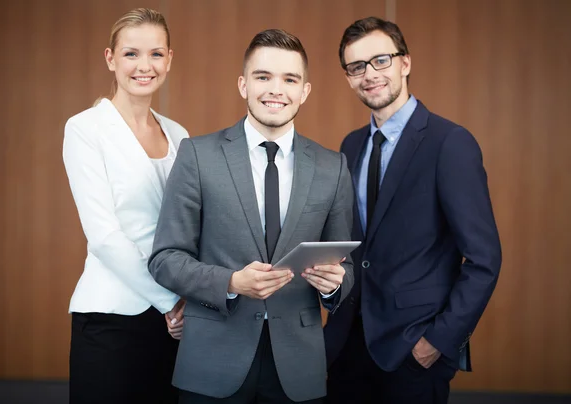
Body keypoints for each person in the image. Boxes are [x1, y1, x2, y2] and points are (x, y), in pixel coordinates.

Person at [148, 29, 354, 404]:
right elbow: (165, 260)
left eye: (289, 79)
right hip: (212, 361)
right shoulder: (197, 155)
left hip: (298, 367)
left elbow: (346, 266)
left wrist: (335, 283)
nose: (276, 89)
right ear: (243, 85)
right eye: (263, 77)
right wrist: (231, 282)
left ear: (304, 91)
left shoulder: (333, 166)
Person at [323, 16, 502, 404]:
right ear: (348, 77)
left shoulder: (449, 143)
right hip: (347, 344)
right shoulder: (350, 146)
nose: (369, 75)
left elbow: (484, 259)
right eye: (356, 67)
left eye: (380, 61)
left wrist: (437, 341)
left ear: (405, 63)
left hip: (413, 349)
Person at [62, 8, 188, 404]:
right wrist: (171, 301)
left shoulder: (179, 134)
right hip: (112, 319)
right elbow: (103, 236)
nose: (144, 66)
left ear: (169, 59)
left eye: (155, 54)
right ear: (110, 59)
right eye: (131, 54)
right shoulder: (85, 129)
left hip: (174, 324)